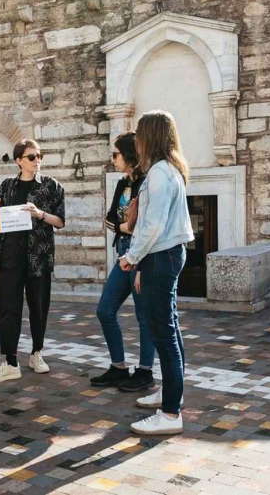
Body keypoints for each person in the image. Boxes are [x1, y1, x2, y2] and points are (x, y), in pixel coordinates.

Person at [119, 111, 195, 436]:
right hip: (163, 256)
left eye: (139, 134)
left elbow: (153, 225)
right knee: (169, 329)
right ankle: (170, 395)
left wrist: (131, 257)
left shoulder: (161, 174)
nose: (136, 140)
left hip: (159, 256)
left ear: (149, 136)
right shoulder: (166, 171)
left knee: (163, 333)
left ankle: (170, 413)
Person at [0, 139, 66, 383]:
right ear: (19, 160)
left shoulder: (52, 186)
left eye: (39, 155)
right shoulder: (7, 186)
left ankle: (36, 353)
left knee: (39, 307)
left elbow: (60, 221)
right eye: (31, 156)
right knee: (9, 308)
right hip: (11, 255)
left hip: (38, 256)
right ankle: (10, 361)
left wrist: (39, 214)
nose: (37, 160)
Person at [91, 133, 157, 393]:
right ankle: (118, 368)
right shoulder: (122, 184)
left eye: (115, 154)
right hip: (122, 252)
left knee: (144, 316)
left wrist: (126, 227)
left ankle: (145, 371)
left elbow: (144, 226)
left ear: (129, 155)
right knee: (105, 310)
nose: (112, 159)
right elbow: (110, 220)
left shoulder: (147, 183)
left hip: (142, 254)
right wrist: (125, 226)